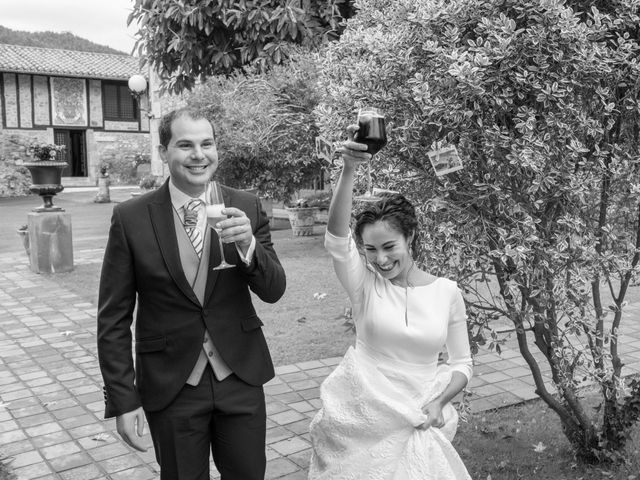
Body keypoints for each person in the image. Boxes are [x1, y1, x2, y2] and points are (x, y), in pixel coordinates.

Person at [97, 107, 286, 480]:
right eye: (185, 145)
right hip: (172, 385)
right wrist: (123, 399)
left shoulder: (244, 205)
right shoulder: (132, 217)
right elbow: (113, 318)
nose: (199, 155)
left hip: (240, 376)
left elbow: (274, 289)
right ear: (164, 150)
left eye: (207, 144)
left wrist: (249, 246)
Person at [308, 125, 473, 479]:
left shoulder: (447, 292)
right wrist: (348, 169)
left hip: (419, 415)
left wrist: (440, 401)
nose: (380, 260)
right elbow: (336, 240)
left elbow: (462, 363)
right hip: (365, 415)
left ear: (409, 237)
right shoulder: (363, 285)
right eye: (370, 249)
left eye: (388, 247)